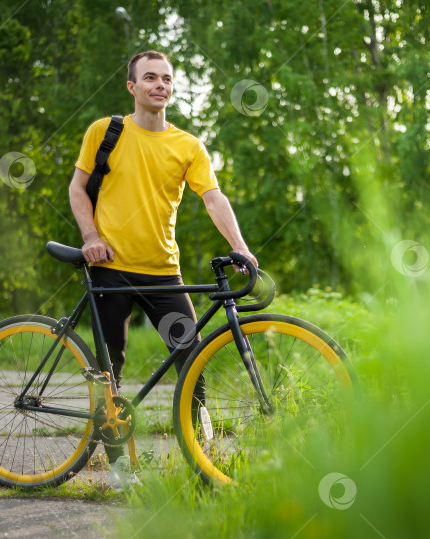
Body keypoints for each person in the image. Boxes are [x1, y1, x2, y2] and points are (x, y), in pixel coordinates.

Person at [68, 50, 258, 490]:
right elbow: (78, 187)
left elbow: (212, 196)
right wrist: (91, 237)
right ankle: (119, 469)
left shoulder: (187, 145)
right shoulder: (105, 131)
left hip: (162, 275)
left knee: (191, 360)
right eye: (149, 77)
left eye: (167, 78)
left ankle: (203, 463)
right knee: (109, 369)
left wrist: (241, 247)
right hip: (110, 272)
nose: (160, 85)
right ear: (132, 87)